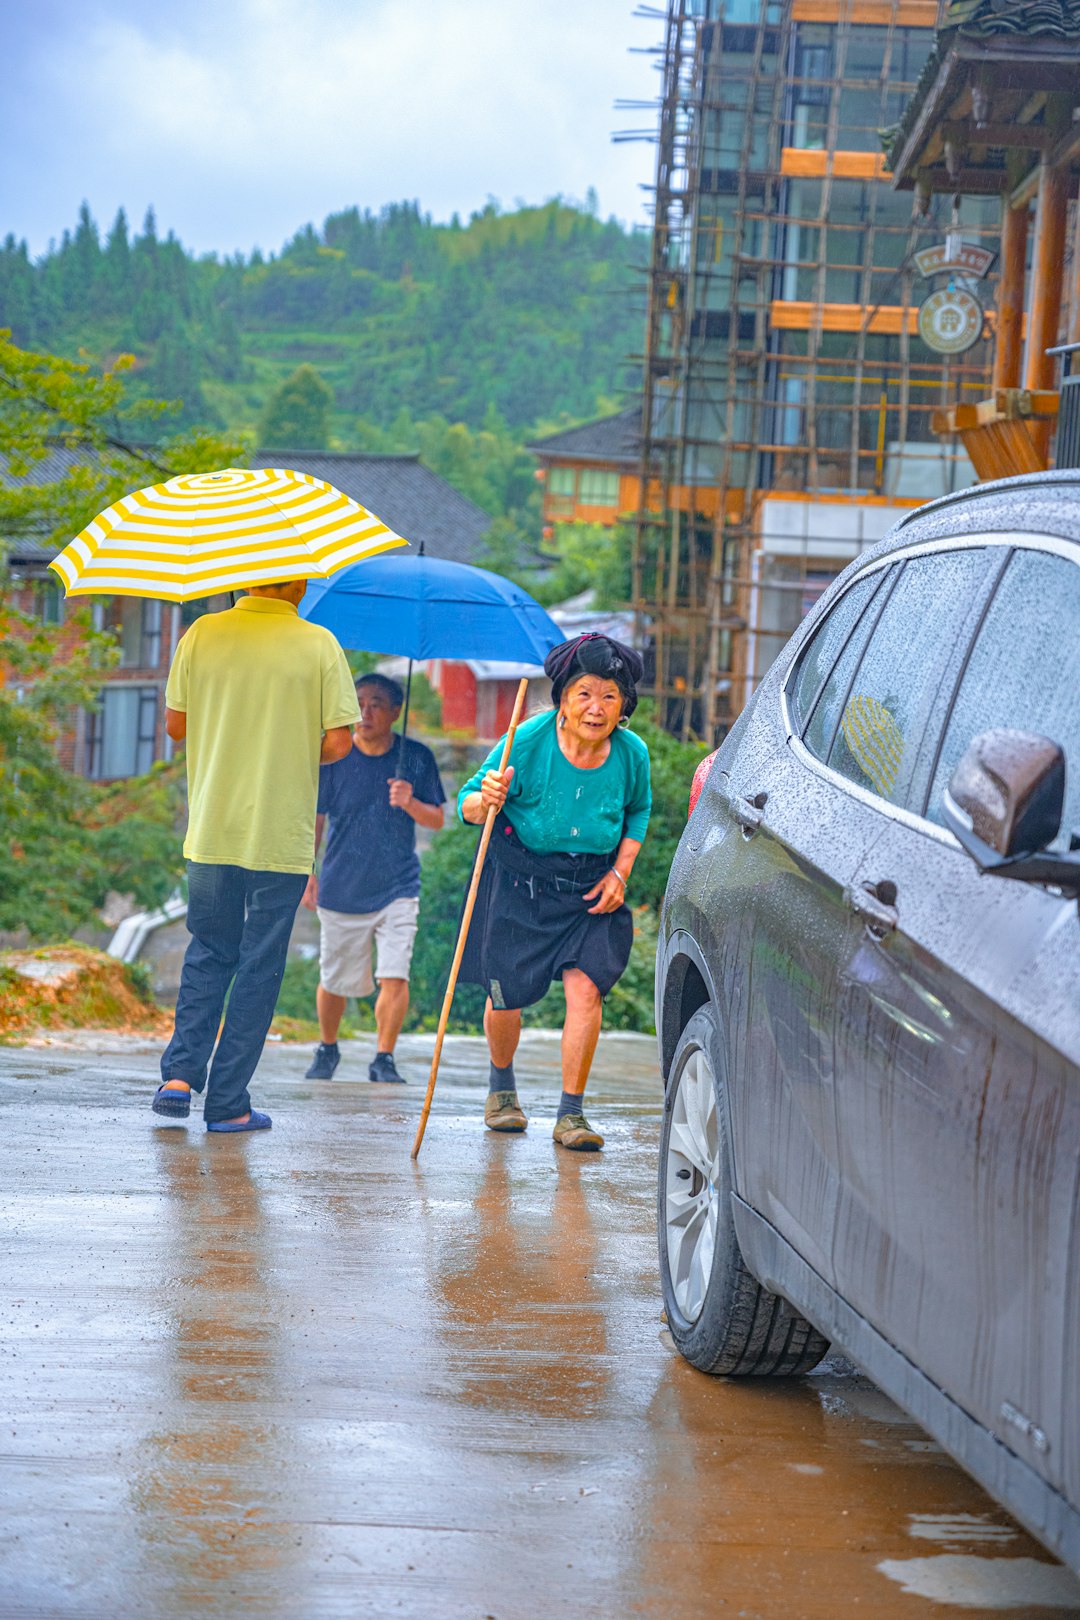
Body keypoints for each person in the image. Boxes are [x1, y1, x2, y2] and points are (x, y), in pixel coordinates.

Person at [153, 580, 359, 1132]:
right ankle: (227, 1105)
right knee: (259, 965)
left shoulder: (201, 632)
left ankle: (177, 1077)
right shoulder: (319, 644)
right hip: (280, 837)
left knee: (209, 949)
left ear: (246, 577)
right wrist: (286, 744)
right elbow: (339, 743)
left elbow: (176, 725)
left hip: (213, 829)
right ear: (300, 581)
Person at [457, 633, 651, 1151]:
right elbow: (467, 802)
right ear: (562, 697)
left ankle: (572, 1114)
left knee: (586, 989)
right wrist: (487, 796)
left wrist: (621, 873)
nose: (596, 707)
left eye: (610, 696)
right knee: (505, 997)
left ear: (623, 706)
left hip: (591, 887)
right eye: (585, 693)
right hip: (520, 880)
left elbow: (638, 811)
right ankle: (502, 1089)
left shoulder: (632, 754)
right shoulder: (526, 739)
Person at [303, 673, 446, 1084]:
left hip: (398, 885)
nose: (365, 712)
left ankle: (383, 1057)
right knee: (333, 978)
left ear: (396, 711)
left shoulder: (416, 758)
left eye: (377, 703)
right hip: (341, 883)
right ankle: (328, 1047)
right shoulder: (334, 755)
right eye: (359, 702)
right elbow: (316, 820)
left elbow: (437, 819)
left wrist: (409, 801)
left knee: (395, 973)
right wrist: (307, 873)